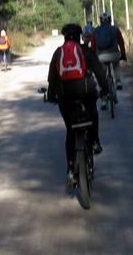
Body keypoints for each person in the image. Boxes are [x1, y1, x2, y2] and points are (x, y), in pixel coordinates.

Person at [47, 23, 110, 188]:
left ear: (65, 37)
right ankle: (95, 141)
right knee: (93, 112)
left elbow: (52, 79)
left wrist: (51, 96)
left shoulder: (58, 53)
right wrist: (105, 89)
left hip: (64, 96)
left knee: (70, 131)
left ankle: (70, 170)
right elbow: (100, 72)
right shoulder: (86, 51)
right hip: (85, 91)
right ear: (79, 36)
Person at [92, 12, 127, 91]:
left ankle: (104, 89)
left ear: (100, 20)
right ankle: (118, 81)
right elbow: (121, 43)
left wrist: (94, 58)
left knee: (102, 69)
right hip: (114, 55)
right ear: (110, 20)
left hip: (101, 56)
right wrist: (123, 54)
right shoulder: (115, 29)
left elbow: (93, 46)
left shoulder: (96, 30)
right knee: (116, 64)